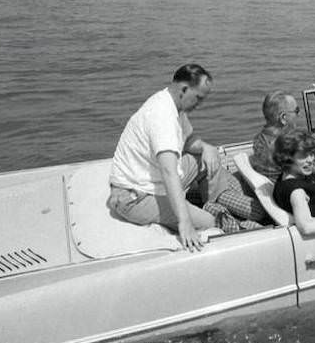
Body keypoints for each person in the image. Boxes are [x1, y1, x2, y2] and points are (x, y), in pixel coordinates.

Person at [107, 64, 264, 251]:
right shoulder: (162, 116)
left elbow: (188, 140)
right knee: (208, 222)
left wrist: (206, 148)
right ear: (184, 89)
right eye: (198, 98)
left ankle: (216, 200)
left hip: (153, 181)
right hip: (136, 198)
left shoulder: (174, 104)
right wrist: (185, 222)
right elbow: (169, 172)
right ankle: (216, 215)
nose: (200, 104)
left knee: (205, 160)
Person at [250, 90, 315, 184]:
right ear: (283, 117)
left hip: (281, 187)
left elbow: (299, 140)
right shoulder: (283, 147)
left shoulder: (260, 138)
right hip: (302, 193)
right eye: (296, 111)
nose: (299, 115)